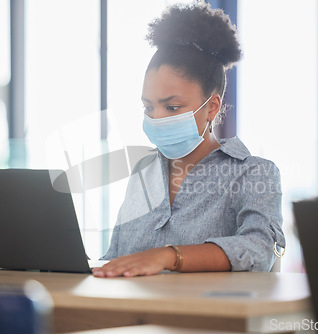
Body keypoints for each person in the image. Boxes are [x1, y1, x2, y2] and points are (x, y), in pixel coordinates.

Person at [92, 3, 285, 278]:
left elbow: (260, 249)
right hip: (134, 313)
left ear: (212, 107)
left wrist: (169, 256)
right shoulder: (143, 174)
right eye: (148, 107)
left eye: (172, 108)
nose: (157, 118)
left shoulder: (253, 173)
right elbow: (116, 257)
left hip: (206, 317)